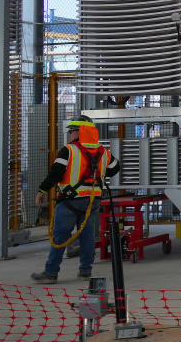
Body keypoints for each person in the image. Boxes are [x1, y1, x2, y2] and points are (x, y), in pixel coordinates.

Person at [31, 117, 121, 284]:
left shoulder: (69, 150)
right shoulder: (103, 152)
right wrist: (99, 176)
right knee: (87, 237)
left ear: (80, 132)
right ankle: (85, 271)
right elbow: (116, 167)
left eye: (72, 131)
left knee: (60, 237)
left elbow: (56, 172)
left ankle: (51, 273)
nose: (70, 134)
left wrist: (42, 190)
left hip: (69, 201)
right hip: (93, 201)